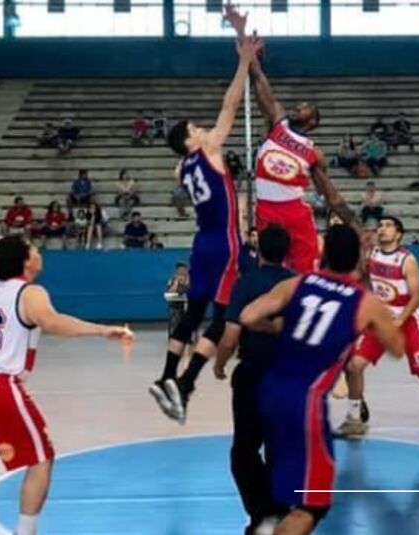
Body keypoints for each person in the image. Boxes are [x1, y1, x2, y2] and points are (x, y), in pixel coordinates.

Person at [0, 236, 133, 535]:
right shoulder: (30, 292)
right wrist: (102, 330)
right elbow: (52, 322)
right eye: (34, 249)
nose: (38, 252)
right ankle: (25, 531)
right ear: (25, 261)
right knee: (41, 458)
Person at [239, 225, 404, 535]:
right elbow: (396, 347)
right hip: (306, 401)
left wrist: (279, 328)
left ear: (324, 254)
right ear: (358, 259)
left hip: (271, 390)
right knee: (313, 505)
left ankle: (269, 524)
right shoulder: (363, 300)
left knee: (289, 488)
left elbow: (248, 317)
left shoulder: (299, 282)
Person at [150, 35, 258, 423]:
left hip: (202, 244)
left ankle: (165, 376)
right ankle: (187, 382)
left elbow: (175, 169)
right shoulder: (209, 148)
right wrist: (244, 61)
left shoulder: (182, 167)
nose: (202, 127)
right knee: (224, 317)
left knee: (193, 312)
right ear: (190, 139)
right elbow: (230, 104)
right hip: (227, 244)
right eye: (195, 127)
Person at [226, 6, 359, 274]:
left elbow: (331, 196)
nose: (299, 107)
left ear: (313, 122)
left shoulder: (313, 152)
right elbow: (257, 76)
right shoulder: (278, 121)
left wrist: (356, 226)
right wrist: (242, 35)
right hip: (267, 212)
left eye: (306, 108)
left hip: (295, 213)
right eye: (299, 105)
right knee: (271, 274)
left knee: (304, 276)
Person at [334, 217, 419, 446]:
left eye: (388, 225)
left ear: (398, 234)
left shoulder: (407, 260)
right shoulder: (372, 255)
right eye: (380, 225)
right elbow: (364, 278)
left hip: (406, 320)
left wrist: (400, 319)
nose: (382, 228)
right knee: (354, 366)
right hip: (380, 320)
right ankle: (354, 418)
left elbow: (416, 296)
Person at [214, 225, 294, 535]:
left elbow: (230, 336)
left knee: (244, 449)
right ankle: (278, 510)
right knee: (281, 445)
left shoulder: (245, 283)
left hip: (253, 374)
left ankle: (261, 513)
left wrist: (220, 364)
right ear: (287, 251)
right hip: (288, 376)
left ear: (259, 251)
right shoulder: (297, 284)